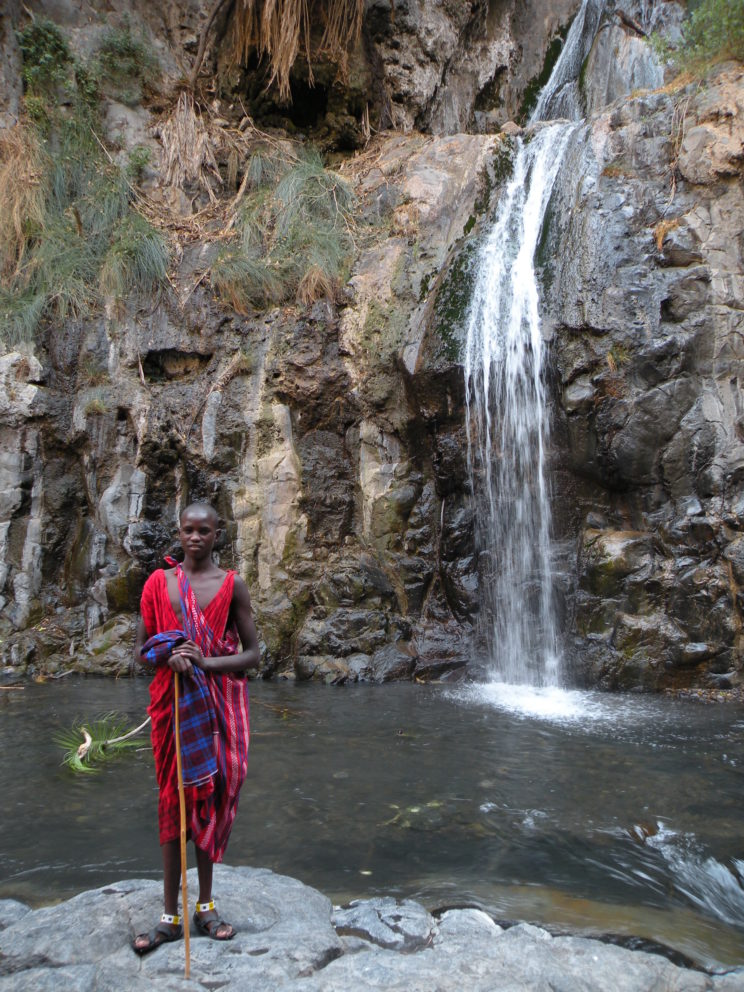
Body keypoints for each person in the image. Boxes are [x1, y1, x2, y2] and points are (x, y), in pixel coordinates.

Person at [131, 502, 259, 955]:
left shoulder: (231, 585)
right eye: (188, 530)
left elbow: (253, 654)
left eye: (204, 530)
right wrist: (169, 656)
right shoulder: (158, 584)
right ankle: (170, 914)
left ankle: (205, 905)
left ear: (217, 534)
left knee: (210, 799)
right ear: (179, 532)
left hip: (220, 711)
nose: (195, 537)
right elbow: (143, 648)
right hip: (173, 707)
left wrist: (206, 662)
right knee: (173, 802)